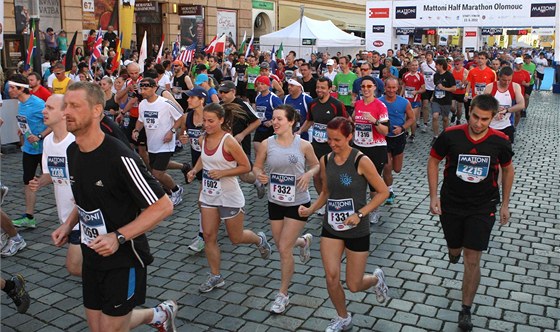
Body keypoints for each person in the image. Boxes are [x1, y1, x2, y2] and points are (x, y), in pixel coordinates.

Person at [52, 82, 178, 332]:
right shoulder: (72, 151)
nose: (66, 111)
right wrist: (68, 224)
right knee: (98, 328)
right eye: (65, 105)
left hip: (123, 257)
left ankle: (159, 314)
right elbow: (85, 201)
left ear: (97, 110)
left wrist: (117, 237)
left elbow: (163, 206)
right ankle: (159, 315)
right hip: (92, 253)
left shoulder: (119, 156)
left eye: (75, 106)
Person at [428, 94, 514, 332]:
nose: (478, 123)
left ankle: (465, 308)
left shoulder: (500, 140)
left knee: (473, 259)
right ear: (469, 111)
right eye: (475, 116)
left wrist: (505, 203)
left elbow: (508, 170)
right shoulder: (451, 135)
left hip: (482, 206)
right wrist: (434, 196)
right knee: (456, 249)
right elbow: (433, 161)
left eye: (484, 119)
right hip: (452, 204)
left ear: (493, 117)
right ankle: (453, 251)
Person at [298, 117, 389, 332]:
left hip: (357, 228)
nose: (332, 143)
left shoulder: (361, 160)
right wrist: (311, 209)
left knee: (354, 285)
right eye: (329, 139)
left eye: (337, 139)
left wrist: (361, 213)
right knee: (331, 276)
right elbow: (327, 192)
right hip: (332, 227)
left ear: (350, 136)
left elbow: (383, 191)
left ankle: (376, 279)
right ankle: (343, 317)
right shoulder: (326, 160)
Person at [186, 103, 272, 293]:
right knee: (208, 236)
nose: (206, 125)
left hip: (229, 196)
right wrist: (194, 170)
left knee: (236, 237)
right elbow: (204, 158)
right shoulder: (203, 139)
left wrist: (223, 173)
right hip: (209, 195)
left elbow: (245, 167)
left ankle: (259, 239)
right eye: (204, 121)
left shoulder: (229, 141)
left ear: (221, 120)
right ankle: (215, 276)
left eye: (211, 121)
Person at [253, 104, 319, 314]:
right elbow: (256, 166)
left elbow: (316, 165)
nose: (275, 122)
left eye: (280, 119)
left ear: (291, 122)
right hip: (275, 202)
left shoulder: (303, 145)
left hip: (298, 203)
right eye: (274, 119)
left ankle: (283, 295)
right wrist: (259, 174)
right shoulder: (266, 143)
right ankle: (304, 241)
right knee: (283, 242)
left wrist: (308, 175)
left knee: (283, 248)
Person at [27, 95, 81, 276]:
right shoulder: (49, 141)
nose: (43, 111)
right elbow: (50, 173)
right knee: (86, 266)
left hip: (83, 217)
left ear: (65, 113)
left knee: (75, 267)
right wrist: (39, 182)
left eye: (50, 108)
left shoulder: (76, 142)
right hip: (64, 214)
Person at [133, 78, 184, 205]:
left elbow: (180, 117)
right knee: (157, 172)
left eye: (146, 88)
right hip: (152, 144)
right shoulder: (142, 104)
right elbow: (140, 120)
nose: (143, 91)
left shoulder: (165, 103)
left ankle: (176, 190)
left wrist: (171, 132)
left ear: (154, 88)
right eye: (141, 89)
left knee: (157, 173)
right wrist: (136, 130)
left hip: (165, 144)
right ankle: (167, 191)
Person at [9, 75, 51, 229]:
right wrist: (22, 130)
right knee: (28, 181)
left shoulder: (38, 104)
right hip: (28, 149)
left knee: (59, 180)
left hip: (43, 149)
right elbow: (27, 122)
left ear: (21, 88)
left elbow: (54, 123)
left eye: (12, 87)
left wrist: (40, 136)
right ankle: (29, 217)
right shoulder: (21, 103)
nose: (9, 90)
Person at [352, 76, 389, 224]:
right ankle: (360, 208)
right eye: (363, 87)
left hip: (376, 147)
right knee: (357, 180)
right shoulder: (358, 104)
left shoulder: (380, 106)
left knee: (373, 183)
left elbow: (385, 131)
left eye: (369, 86)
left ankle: (374, 211)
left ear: (375, 88)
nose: (366, 89)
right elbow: (354, 119)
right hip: (359, 146)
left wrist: (374, 121)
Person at [379, 78, 414, 205]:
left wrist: (402, 128)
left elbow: (411, 118)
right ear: (385, 88)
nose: (391, 90)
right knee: (387, 166)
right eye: (389, 87)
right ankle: (389, 190)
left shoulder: (404, 102)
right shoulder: (379, 102)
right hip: (384, 138)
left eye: (394, 88)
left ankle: (388, 183)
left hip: (398, 138)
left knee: (397, 169)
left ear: (398, 88)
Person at [483, 66, 524, 144]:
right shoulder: (490, 87)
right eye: (504, 80)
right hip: (490, 126)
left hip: (506, 125)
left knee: (507, 152)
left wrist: (506, 110)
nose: (507, 83)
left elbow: (521, 104)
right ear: (499, 77)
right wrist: (495, 111)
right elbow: (483, 104)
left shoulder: (515, 86)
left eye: (509, 80)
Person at [253, 75, 282, 157]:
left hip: (271, 128)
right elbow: (257, 110)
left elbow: (282, 112)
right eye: (258, 84)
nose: (260, 86)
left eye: (262, 84)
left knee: (270, 151)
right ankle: (259, 166)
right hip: (260, 126)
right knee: (256, 145)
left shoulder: (273, 98)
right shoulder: (258, 97)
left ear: (268, 85)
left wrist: (272, 122)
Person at [431, 57, 457, 145]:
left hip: (446, 100)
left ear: (441, 66)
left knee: (445, 119)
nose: (435, 67)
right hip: (436, 100)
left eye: (436, 65)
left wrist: (444, 88)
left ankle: (445, 134)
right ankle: (435, 136)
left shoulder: (449, 75)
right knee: (435, 116)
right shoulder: (436, 75)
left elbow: (454, 88)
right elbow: (436, 87)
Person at [400, 60, 425, 142]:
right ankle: (406, 132)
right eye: (413, 65)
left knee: (412, 118)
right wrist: (400, 95)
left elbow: (423, 89)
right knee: (407, 118)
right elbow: (403, 86)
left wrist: (416, 92)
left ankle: (413, 134)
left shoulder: (420, 76)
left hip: (415, 100)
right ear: (409, 66)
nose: (414, 67)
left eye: (416, 65)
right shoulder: (405, 75)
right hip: (406, 100)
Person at [420, 51, 437, 133]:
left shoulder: (435, 65)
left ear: (432, 57)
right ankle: (425, 124)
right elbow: (422, 74)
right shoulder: (423, 65)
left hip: (434, 88)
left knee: (434, 107)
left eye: (429, 55)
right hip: (425, 88)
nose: (428, 57)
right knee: (425, 105)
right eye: (427, 55)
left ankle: (434, 121)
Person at [511, 58, 531, 125]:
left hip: (519, 95)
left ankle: (515, 126)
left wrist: (525, 84)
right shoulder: (511, 73)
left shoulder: (525, 73)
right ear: (515, 64)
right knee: (509, 112)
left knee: (517, 113)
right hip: (510, 95)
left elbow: (528, 84)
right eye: (518, 64)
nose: (520, 65)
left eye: (521, 64)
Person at [451, 57, 469, 126]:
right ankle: (453, 113)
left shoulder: (465, 71)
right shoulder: (452, 70)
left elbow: (468, 82)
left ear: (461, 64)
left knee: (459, 108)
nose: (456, 66)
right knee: (452, 107)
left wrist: (464, 85)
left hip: (461, 92)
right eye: (455, 64)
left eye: (457, 64)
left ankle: (458, 120)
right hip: (453, 91)